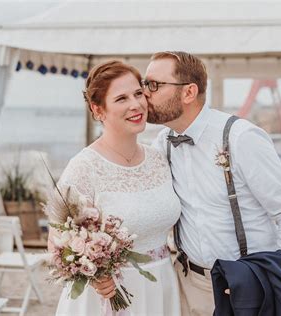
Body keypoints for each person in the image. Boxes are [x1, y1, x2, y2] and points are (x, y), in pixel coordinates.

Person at [144, 51, 281, 315]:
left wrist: (273, 276)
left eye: (153, 85)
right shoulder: (162, 143)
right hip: (191, 285)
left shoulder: (242, 138)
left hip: (250, 285)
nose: (144, 93)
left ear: (188, 92)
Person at [47, 60, 182, 315]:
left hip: (161, 285)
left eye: (138, 93)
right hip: (108, 296)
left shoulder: (159, 159)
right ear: (98, 110)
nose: (136, 104)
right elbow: (56, 240)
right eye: (121, 98)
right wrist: (95, 273)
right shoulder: (84, 167)